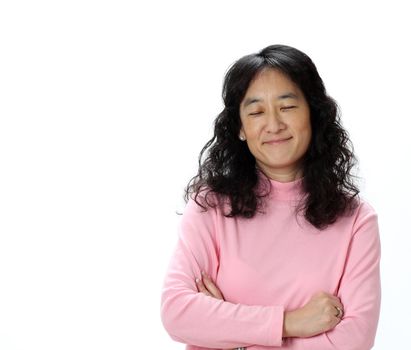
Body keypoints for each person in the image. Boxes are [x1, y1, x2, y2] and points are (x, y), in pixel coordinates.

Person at [160, 44, 381, 350]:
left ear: (313, 115)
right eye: (256, 111)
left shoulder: (356, 220)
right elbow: (177, 313)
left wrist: (231, 339)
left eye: (287, 107)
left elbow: (354, 341)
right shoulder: (210, 206)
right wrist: (290, 322)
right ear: (240, 127)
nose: (274, 124)